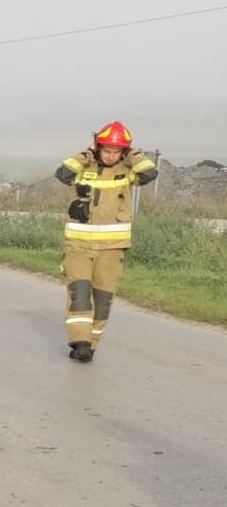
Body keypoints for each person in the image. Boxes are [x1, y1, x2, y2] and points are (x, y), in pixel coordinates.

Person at [55, 121, 157, 362]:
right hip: (78, 245)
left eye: (116, 151)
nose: (111, 155)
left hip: (112, 248)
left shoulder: (127, 171)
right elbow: (63, 173)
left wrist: (131, 153)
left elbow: (149, 172)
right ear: (98, 147)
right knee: (79, 293)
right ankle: (79, 341)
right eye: (106, 150)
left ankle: (91, 342)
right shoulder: (83, 165)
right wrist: (86, 154)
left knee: (102, 299)